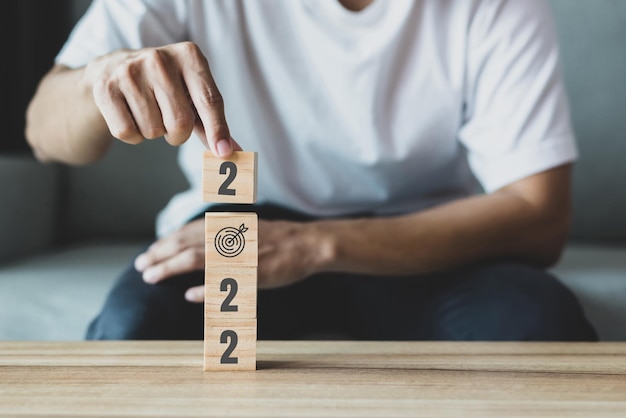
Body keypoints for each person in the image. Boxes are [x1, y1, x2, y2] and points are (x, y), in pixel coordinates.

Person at [26, 0, 597, 341]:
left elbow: (538, 217)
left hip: (424, 240)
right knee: (133, 326)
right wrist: (96, 80)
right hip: (240, 233)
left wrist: (314, 243)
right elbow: (44, 133)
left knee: (537, 324)